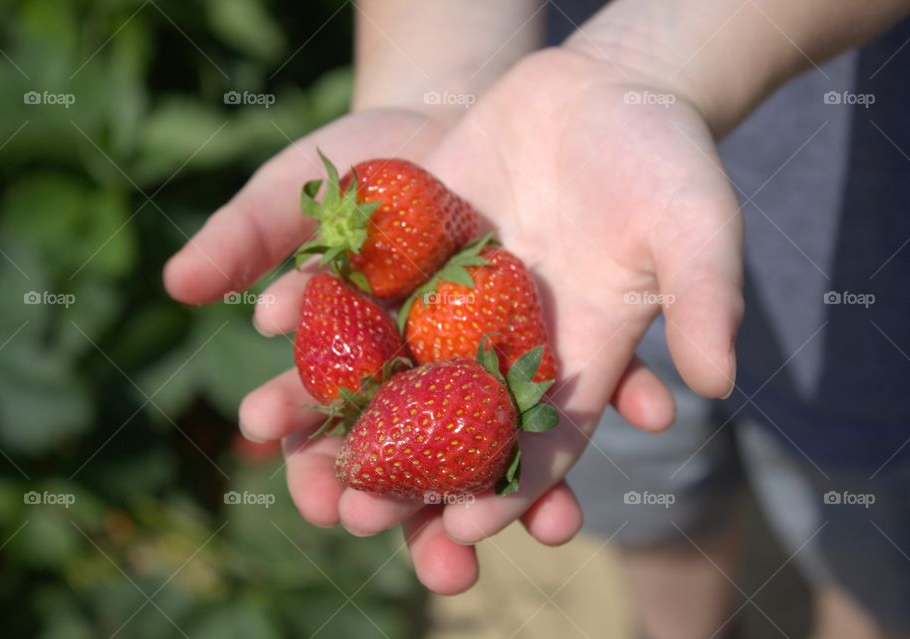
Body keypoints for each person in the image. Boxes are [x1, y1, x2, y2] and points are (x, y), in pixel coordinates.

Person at [164, 2, 910, 637]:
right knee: (654, 499)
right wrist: (437, 83)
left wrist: (650, 63)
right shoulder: (521, 320)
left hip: (852, 235)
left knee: (860, 529)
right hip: (585, 238)